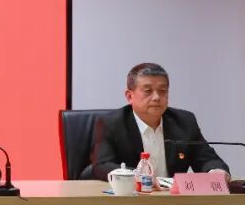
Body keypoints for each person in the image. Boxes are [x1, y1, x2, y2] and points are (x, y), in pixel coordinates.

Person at [91, 62, 230, 182]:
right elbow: (102, 165)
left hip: (171, 199)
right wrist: (140, 177)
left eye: (162, 91)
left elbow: (207, 158)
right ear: (129, 96)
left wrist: (216, 171)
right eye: (148, 91)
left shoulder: (184, 122)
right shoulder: (111, 123)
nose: (156, 97)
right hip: (130, 197)